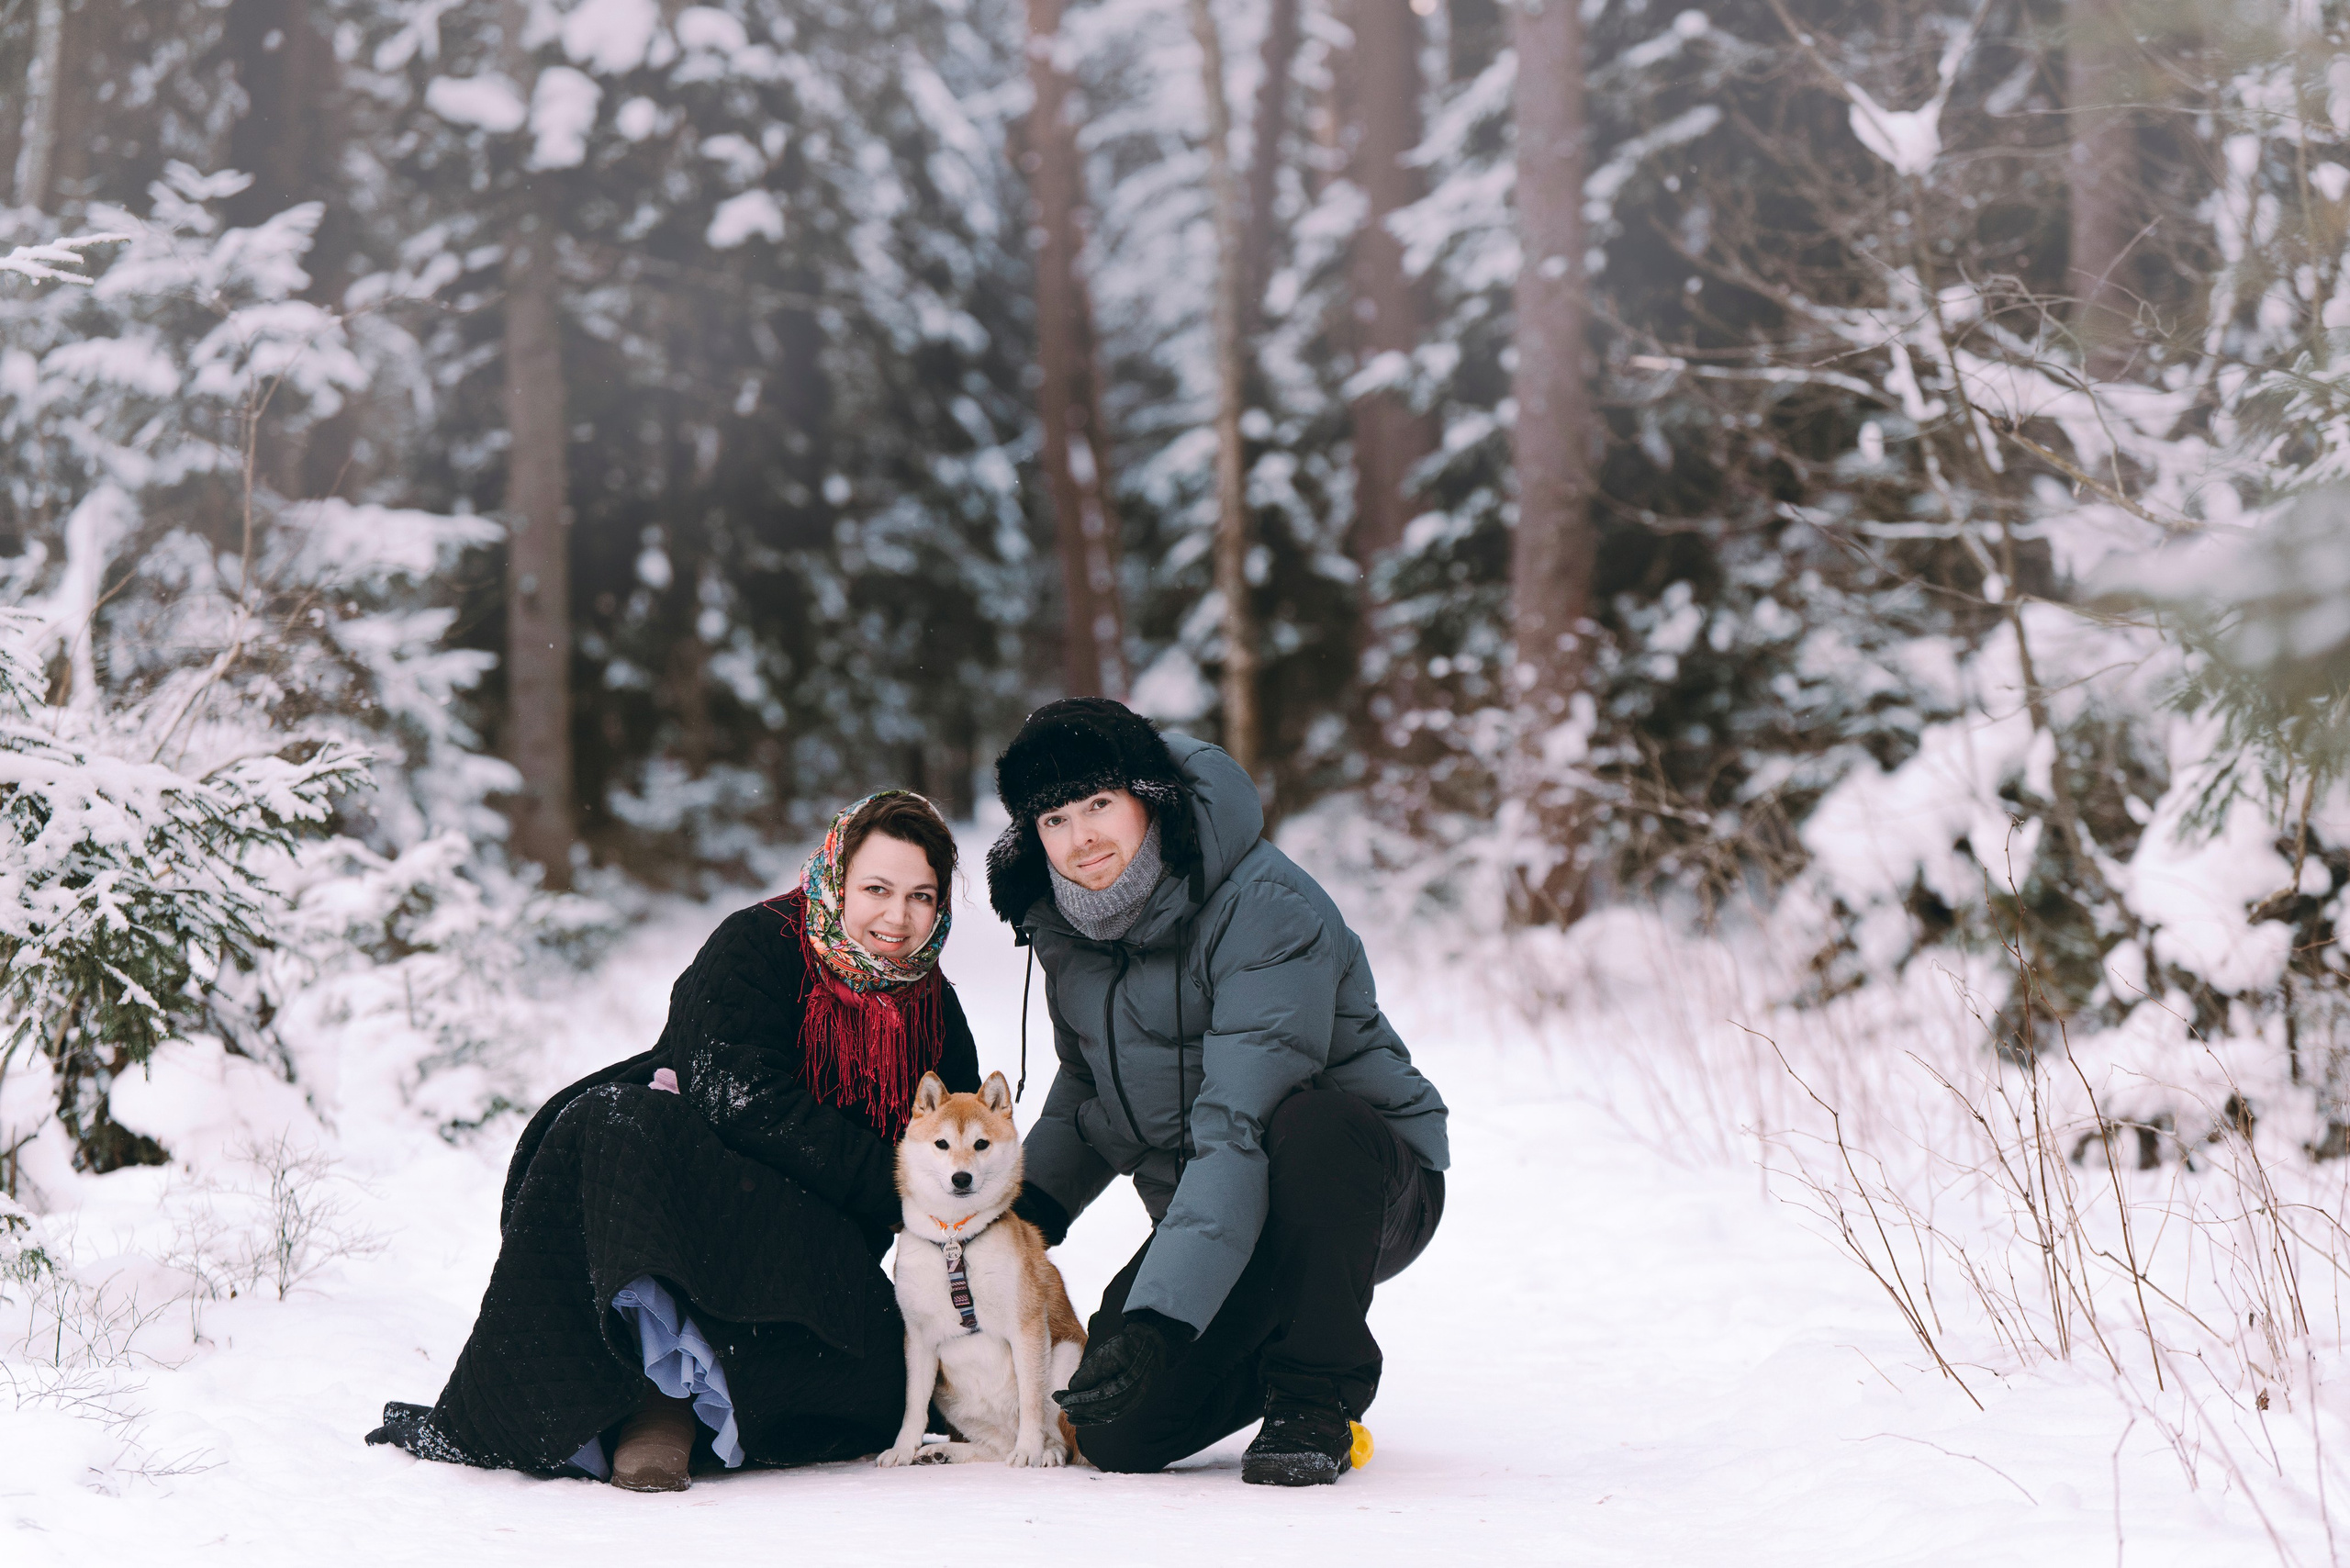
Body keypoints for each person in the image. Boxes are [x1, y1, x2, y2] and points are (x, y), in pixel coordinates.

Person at [366, 791, 979, 1491]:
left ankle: (720, 1405)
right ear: (838, 879)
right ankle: (659, 1403)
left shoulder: (934, 1007)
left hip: (822, 1255)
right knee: (614, 1120)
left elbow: (959, 1155)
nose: (897, 918)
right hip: (713, 1209)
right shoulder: (758, 945)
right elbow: (738, 1098)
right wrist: (895, 1184)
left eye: (920, 896)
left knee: (883, 1384)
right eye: (877, 889)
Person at [990, 699, 1449, 1485]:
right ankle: (1280, 1341)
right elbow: (1084, 1091)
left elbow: (1239, 1121)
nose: (1082, 838)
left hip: (1359, 1186)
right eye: (1055, 819)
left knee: (1312, 1127)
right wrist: (1016, 1218)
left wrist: (1167, 1317)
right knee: (1116, 1429)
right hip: (1221, 1209)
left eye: (1100, 804)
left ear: (1149, 796)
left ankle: (1316, 1398)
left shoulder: (1263, 906)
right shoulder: (1068, 928)